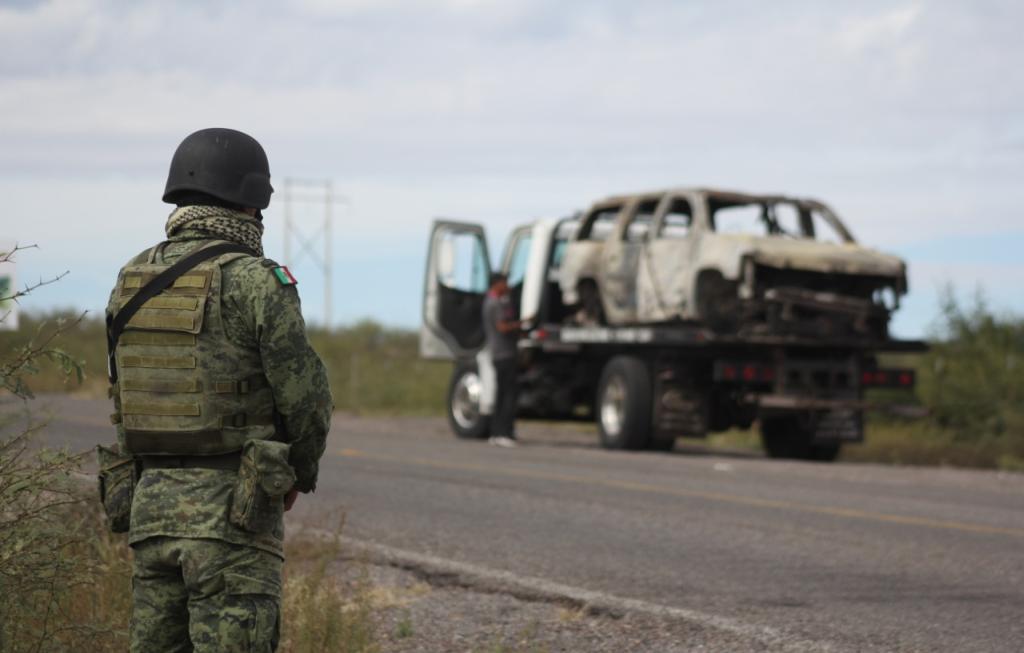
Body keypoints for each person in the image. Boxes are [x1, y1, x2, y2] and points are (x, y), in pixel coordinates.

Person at [100, 127, 333, 652]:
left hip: (151, 514)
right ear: (252, 204)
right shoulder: (256, 280)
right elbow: (307, 400)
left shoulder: (130, 278)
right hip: (235, 517)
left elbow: (122, 395)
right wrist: (299, 471)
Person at [482, 272, 521, 447]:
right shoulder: (496, 303)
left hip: (498, 354)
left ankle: (496, 433)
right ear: (496, 284)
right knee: (507, 395)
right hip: (504, 354)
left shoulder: (489, 301)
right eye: (504, 282)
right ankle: (504, 433)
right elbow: (502, 327)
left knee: (501, 394)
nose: (507, 286)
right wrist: (519, 325)